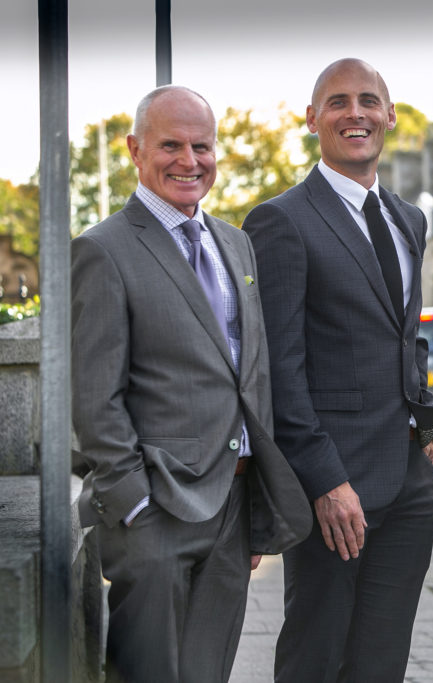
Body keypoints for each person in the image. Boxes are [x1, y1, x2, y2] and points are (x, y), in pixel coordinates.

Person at [71, 85, 311, 683]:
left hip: (232, 507)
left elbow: (249, 377)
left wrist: (252, 504)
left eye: (201, 146)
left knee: (209, 673)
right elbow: (93, 398)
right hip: (154, 512)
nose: (188, 160)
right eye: (170, 145)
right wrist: (134, 507)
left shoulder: (236, 243)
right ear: (134, 149)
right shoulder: (102, 251)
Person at [242, 58, 433, 682]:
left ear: (389, 115)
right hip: (333, 489)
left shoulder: (409, 219)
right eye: (337, 102)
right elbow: (278, 367)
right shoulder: (282, 221)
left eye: (367, 101)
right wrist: (324, 482)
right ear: (311, 119)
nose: (355, 113)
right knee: (316, 657)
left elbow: (405, 338)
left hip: (409, 485)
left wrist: (426, 425)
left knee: (382, 662)